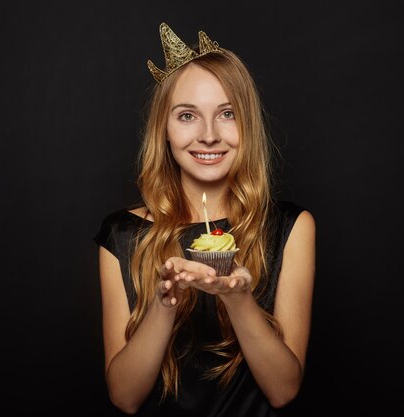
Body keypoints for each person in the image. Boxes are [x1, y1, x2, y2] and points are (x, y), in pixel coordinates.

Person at [93, 22, 316, 416]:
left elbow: (284, 390)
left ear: (247, 124)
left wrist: (237, 297)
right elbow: (124, 398)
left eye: (227, 113)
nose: (209, 135)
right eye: (187, 116)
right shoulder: (123, 235)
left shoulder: (290, 228)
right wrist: (164, 305)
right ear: (163, 128)